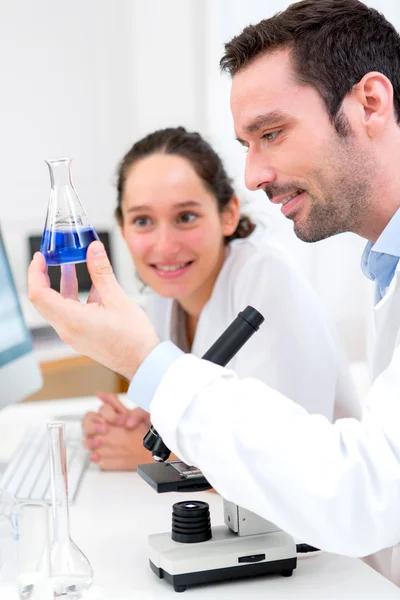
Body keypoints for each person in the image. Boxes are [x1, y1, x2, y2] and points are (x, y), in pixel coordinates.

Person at [28, 0, 400, 584]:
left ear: (370, 104)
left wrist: (147, 368)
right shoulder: (386, 264)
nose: (253, 174)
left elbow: (348, 488)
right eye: (141, 221)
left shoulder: (267, 281)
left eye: (272, 133)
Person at [81, 126, 358, 470]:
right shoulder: (165, 294)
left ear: (228, 214)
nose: (165, 246)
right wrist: (147, 423)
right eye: (142, 221)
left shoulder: (266, 278)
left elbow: (282, 458)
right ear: (122, 228)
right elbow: (203, 411)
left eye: (186, 217)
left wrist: (151, 455)